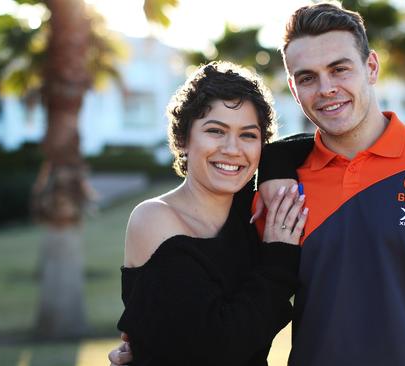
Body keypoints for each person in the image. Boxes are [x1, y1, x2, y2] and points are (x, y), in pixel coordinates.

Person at [111, 2, 405, 365]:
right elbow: (209, 304)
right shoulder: (274, 191)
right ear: (294, 89)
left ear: (371, 67)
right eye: (307, 77)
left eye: (339, 69)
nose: (326, 89)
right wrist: (151, 340)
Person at [113, 61, 308, 365]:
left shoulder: (246, 213)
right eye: (215, 131)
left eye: (248, 135)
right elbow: (219, 348)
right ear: (182, 140)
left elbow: (322, 144)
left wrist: (274, 165)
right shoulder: (154, 218)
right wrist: (280, 257)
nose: (232, 148)